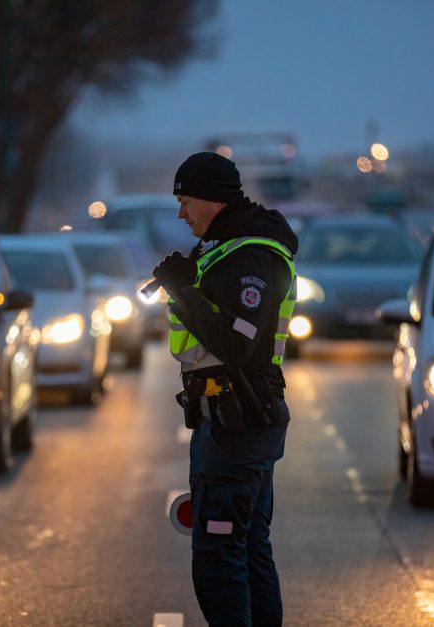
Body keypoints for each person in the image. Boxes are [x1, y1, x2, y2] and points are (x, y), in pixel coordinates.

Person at [152, 152, 298, 626]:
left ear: (212, 199)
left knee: (220, 564)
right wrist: (190, 280)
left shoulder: (250, 256)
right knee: (248, 551)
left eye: (186, 200)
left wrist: (183, 290)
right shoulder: (227, 247)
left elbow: (236, 344)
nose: (181, 213)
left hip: (237, 427)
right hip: (236, 424)